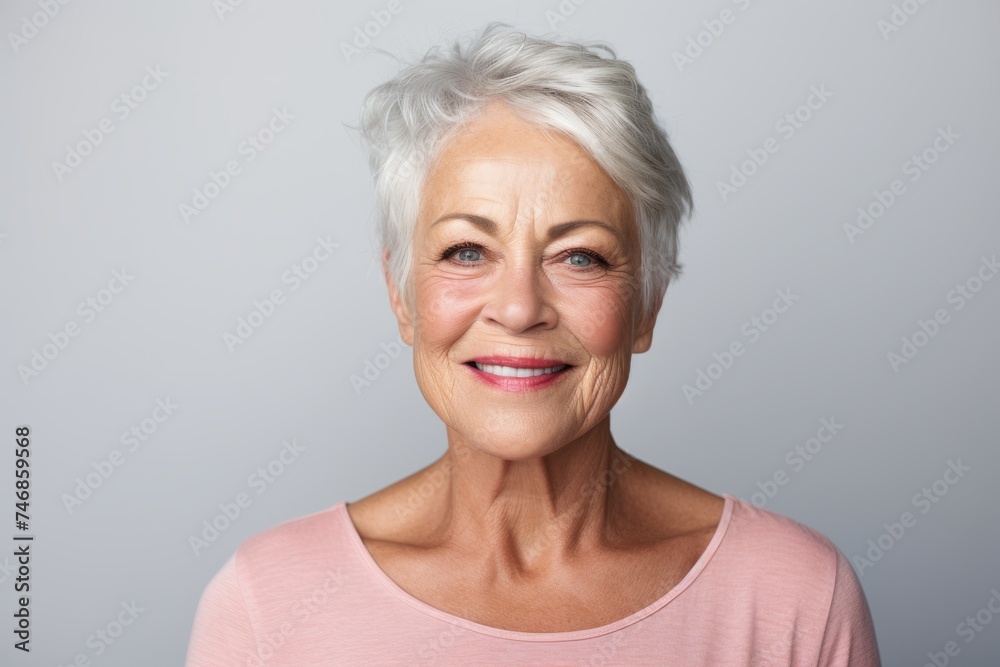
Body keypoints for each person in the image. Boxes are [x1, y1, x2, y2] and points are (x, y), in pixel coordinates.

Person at [185, 22, 881, 665]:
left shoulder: (796, 599)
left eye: (580, 256)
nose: (519, 308)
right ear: (401, 295)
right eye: (465, 250)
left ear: (648, 303)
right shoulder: (266, 604)